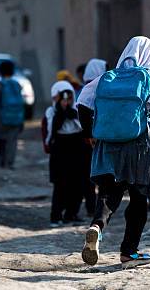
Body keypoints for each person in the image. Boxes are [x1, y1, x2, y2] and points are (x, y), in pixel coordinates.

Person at [78, 36, 150, 269]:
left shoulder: (106, 78)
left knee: (109, 192)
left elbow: (83, 103)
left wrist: (89, 133)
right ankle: (129, 252)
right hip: (139, 144)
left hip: (108, 143)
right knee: (138, 197)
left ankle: (96, 226)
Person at [43, 81, 88, 227]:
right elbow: (51, 132)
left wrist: (72, 114)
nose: (66, 101)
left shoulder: (76, 109)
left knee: (78, 184)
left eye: (69, 98)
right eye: (62, 98)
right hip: (60, 149)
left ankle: (71, 213)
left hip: (76, 147)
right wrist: (61, 113)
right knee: (60, 184)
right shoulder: (51, 112)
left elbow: (82, 127)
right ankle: (55, 216)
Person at [77, 58, 108, 215]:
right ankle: (97, 209)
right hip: (97, 137)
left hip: (85, 137)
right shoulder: (103, 87)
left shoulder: (82, 89)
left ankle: (92, 208)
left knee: (88, 174)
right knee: (99, 173)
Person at [0, 61, 24, 169]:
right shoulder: (17, 84)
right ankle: (10, 162)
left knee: (2, 140)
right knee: (12, 140)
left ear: (0, 72)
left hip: (2, 116)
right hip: (17, 116)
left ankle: (2, 161)